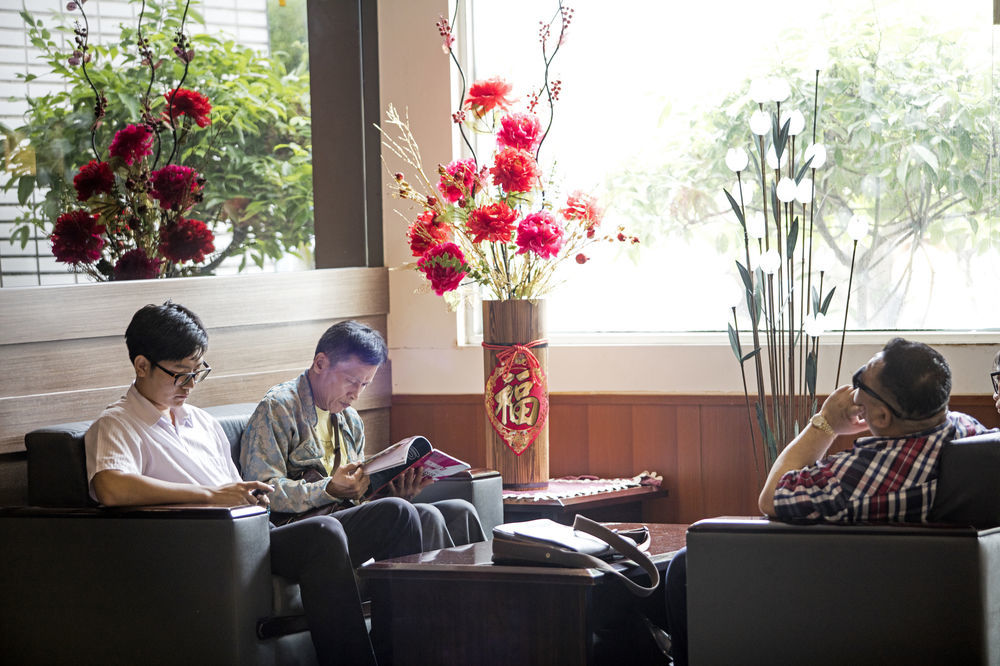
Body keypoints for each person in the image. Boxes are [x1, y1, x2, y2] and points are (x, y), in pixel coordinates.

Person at [85, 302, 424, 666]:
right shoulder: (116, 424)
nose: (190, 384)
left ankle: (404, 656)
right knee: (322, 533)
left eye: (197, 372)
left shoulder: (200, 422)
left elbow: (239, 487)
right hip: (210, 546)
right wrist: (212, 496)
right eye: (180, 374)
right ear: (141, 365)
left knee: (398, 515)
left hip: (255, 533)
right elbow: (111, 487)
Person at [664, 337, 991, 665]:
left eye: (860, 381)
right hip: (919, 598)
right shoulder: (969, 431)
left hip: (838, 594)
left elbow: (771, 496)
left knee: (685, 565)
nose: (854, 389)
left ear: (881, 414)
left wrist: (825, 424)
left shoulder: (861, 478)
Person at [240, 319, 485, 551]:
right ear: (320, 363)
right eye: (351, 381)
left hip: (344, 516)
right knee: (407, 512)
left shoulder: (350, 420)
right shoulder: (279, 408)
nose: (356, 394)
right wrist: (329, 489)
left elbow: (358, 501)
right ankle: (425, 596)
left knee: (460, 511)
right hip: (304, 528)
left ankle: (478, 594)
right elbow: (261, 492)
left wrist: (394, 493)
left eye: (365, 385)